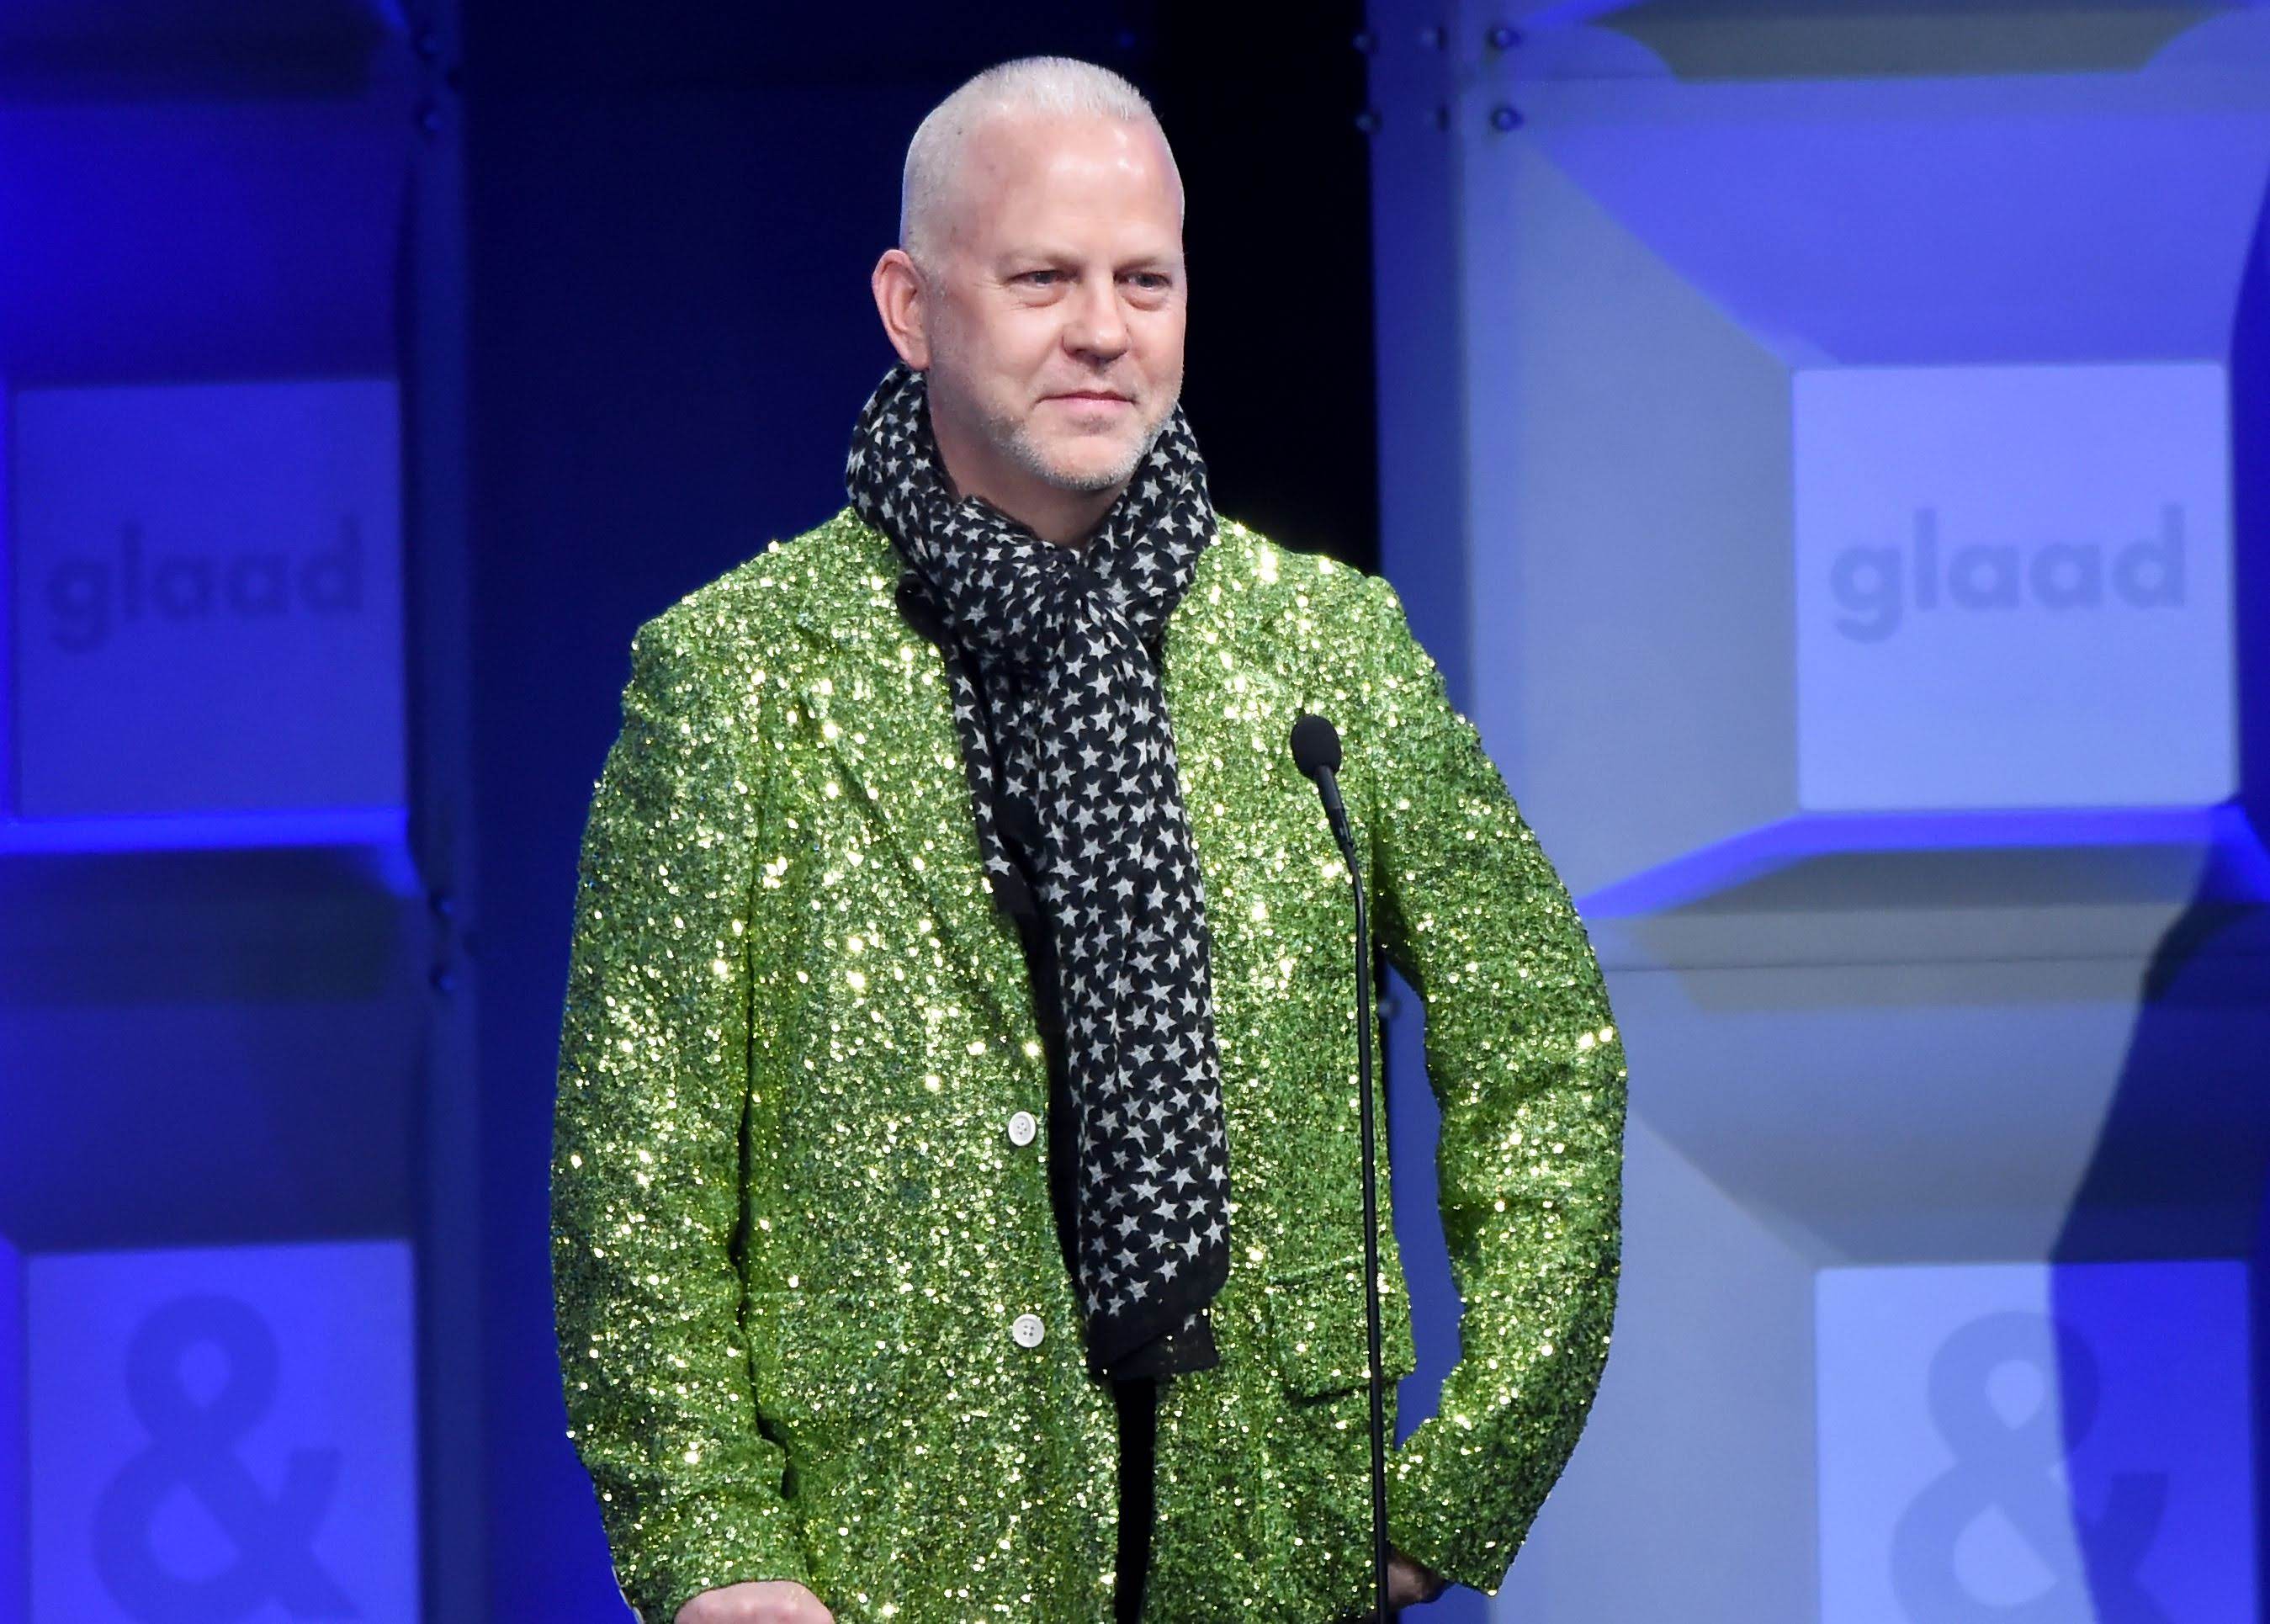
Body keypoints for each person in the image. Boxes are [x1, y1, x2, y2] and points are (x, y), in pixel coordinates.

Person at [549, 54, 1626, 1624]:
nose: (1105, 330)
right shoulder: (740, 674)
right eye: (1043, 278)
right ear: (912, 308)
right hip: (884, 1556)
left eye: (1145, 280)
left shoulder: (1324, 649)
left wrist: (1463, 1481)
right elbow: (633, 1164)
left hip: (1272, 1541)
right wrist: (713, 1548)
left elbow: (1545, 1046)